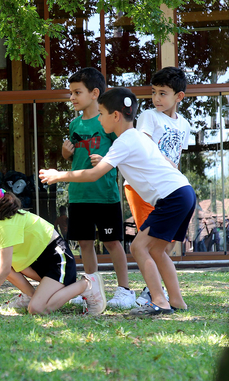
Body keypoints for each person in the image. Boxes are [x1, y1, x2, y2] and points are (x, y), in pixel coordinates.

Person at [40, 87, 195, 316]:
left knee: (138, 247)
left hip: (172, 197)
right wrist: (106, 160)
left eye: (101, 113)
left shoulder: (123, 141)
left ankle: (160, 302)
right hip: (184, 192)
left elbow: (93, 175)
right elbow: (158, 162)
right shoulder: (136, 137)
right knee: (157, 251)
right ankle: (176, 300)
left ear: (115, 116)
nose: (99, 118)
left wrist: (58, 175)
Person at [0, 172, 106, 316]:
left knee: (38, 309)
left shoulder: (7, 224)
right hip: (35, 264)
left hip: (57, 261)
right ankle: (31, 296)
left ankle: (87, 284)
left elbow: (4, 270)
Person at [119, 67, 191, 308]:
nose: (156, 98)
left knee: (162, 245)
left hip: (168, 188)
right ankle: (154, 293)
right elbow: (144, 147)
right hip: (143, 187)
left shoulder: (184, 125)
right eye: (154, 92)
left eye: (163, 93)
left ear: (179, 96)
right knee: (147, 244)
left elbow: (177, 156)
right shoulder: (149, 116)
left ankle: (159, 293)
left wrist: (175, 174)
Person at [61, 67, 129, 308]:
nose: (72, 97)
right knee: (85, 244)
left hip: (106, 196)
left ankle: (124, 290)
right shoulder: (74, 124)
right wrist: (65, 154)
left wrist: (107, 163)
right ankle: (93, 290)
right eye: (70, 93)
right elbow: (75, 159)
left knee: (113, 243)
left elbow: (122, 156)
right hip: (79, 195)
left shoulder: (109, 123)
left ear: (94, 93)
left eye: (77, 92)